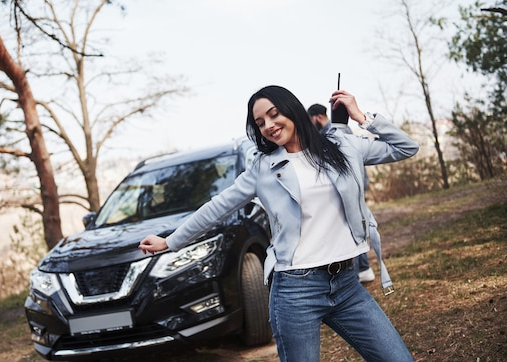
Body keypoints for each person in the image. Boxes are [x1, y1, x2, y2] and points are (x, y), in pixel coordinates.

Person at [139, 86, 418, 362]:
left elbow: (406, 147)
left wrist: (361, 116)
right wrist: (170, 241)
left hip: (346, 285)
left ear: (292, 110)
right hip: (296, 291)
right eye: (260, 123)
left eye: (273, 115)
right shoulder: (263, 169)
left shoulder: (342, 147)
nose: (269, 126)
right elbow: (217, 207)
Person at [307, 103, 376, 283]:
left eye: (310, 120)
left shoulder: (339, 132)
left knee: (353, 226)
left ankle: (361, 268)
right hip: (348, 186)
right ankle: (363, 268)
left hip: (350, 186)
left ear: (318, 117)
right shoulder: (329, 133)